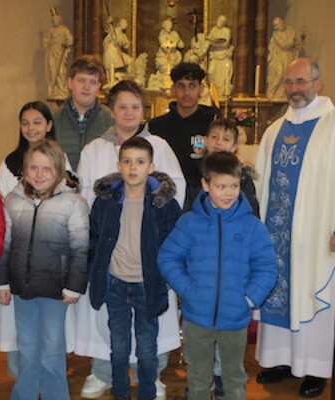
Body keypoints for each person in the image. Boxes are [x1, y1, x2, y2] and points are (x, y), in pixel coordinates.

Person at [76, 80, 185, 400]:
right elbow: (85, 198)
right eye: (122, 106)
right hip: (113, 257)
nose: (128, 112)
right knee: (111, 326)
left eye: (135, 107)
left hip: (148, 258)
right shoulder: (94, 148)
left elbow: (176, 190)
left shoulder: (159, 145)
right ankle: (103, 373)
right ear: (111, 110)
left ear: (143, 110)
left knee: (151, 328)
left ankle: (151, 376)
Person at [158, 151, 277, 400]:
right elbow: (168, 258)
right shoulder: (189, 223)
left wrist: (249, 298)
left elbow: (267, 267)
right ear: (205, 184)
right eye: (221, 186)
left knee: (234, 376)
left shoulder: (252, 226)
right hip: (196, 318)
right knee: (198, 376)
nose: (228, 193)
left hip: (236, 318)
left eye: (234, 186)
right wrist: (187, 290)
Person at [254, 57, 335, 398]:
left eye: (300, 81)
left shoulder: (332, 124)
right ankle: (281, 361)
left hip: (317, 235)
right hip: (277, 234)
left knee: (310, 289)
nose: (293, 89)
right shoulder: (275, 129)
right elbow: (259, 182)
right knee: (278, 289)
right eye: (288, 82)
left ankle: (315, 368)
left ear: (318, 83)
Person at [0, 139, 89, 400]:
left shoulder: (73, 203)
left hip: (55, 291)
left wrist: (74, 287)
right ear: (25, 170)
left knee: (51, 351)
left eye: (47, 169)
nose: (39, 174)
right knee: (26, 348)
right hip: (22, 289)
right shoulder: (13, 201)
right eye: (33, 168)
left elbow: (81, 249)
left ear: (58, 171)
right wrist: (1, 282)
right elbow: (3, 245)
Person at [0, 101, 74, 378]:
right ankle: (23, 378)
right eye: (25, 122)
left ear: (49, 125)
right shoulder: (9, 163)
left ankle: (48, 380)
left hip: (50, 263)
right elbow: (5, 210)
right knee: (19, 331)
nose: (30, 128)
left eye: (37, 122)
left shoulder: (61, 160)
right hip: (18, 258)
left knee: (51, 334)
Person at [149, 62, 217, 211]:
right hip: (165, 198)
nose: (186, 92)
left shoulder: (212, 126)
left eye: (192, 86)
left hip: (203, 199)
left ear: (201, 89)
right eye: (181, 86)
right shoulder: (156, 127)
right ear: (173, 89)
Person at [54, 55, 114, 171]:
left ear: (99, 86)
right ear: (70, 83)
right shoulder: (54, 118)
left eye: (93, 82)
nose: (87, 87)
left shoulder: (110, 119)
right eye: (81, 80)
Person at [202, 119, 259, 217]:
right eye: (214, 137)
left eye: (226, 139)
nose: (219, 142)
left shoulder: (242, 176)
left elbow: (251, 209)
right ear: (206, 141)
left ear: (234, 147)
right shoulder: (196, 172)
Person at [43, 9, 73, 99]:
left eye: (56, 20)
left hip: (60, 51)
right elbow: (46, 40)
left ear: (59, 20)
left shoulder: (64, 29)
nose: (55, 21)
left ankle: (62, 91)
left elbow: (70, 40)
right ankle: (55, 91)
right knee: (53, 71)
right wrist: (46, 43)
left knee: (61, 71)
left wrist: (66, 43)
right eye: (53, 20)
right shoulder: (51, 30)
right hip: (52, 51)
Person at [267, 18, 298, 100]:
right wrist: (292, 38)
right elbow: (284, 45)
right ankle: (271, 92)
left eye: (280, 23)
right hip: (279, 57)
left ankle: (282, 94)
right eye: (276, 25)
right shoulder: (276, 34)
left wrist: (296, 43)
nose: (279, 25)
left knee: (286, 76)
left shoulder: (288, 31)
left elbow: (293, 45)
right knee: (279, 74)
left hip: (288, 56)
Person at [206, 15, 234, 98]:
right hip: (215, 56)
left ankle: (223, 94)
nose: (219, 23)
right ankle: (213, 93)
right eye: (219, 20)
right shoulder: (213, 30)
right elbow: (208, 40)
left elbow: (226, 44)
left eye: (222, 21)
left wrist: (216, 44)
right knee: (210, 72)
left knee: (225, 76)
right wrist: (215, 43)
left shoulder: (227, 31)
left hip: (224, 56)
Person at [103, 18, 133, 85]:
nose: (126, 25)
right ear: (120, 23)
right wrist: (108, 22)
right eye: (125, 23)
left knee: (130, 61)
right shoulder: (113, 30)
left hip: (118, 52)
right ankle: (111, 81)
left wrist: (121, 42)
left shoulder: (123, 35)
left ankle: (128, 79)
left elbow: (126, 45)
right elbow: (106, 30)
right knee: (111, 65)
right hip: (112, 51)